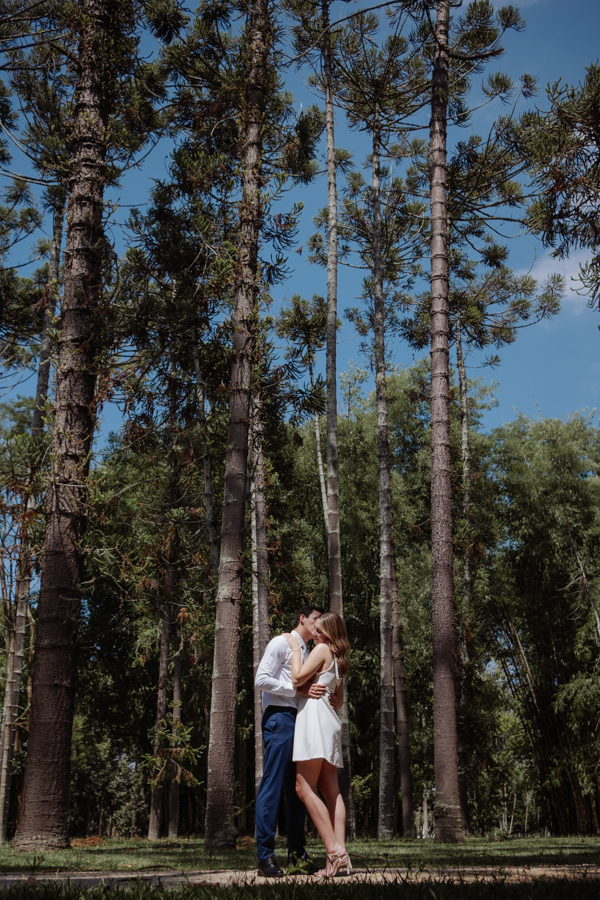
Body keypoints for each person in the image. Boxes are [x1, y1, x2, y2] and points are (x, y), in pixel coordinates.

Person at [254, 605, 325, 878]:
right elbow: (261, 679)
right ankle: (265, 857)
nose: (319, 625)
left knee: (299, 790)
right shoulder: (280, 643)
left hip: (301, 720)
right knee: (272, 786)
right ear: (303, 618)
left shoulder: (308, 651)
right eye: (316, 620)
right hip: (279, 718)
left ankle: (297, 857)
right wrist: (294, 689)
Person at [285, 611, 351, 878]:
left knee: (303, 787)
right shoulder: (339, 659)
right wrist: (334, 700)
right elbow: (340, 700)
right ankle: (340, 858)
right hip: (330, 721)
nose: (315, 635)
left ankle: (335, 853)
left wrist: (294, 651)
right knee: (330, 790)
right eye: (316, 631)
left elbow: (297, 678)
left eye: (320, 631)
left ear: (330, 635)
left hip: (314, 720)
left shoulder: (322, 650)